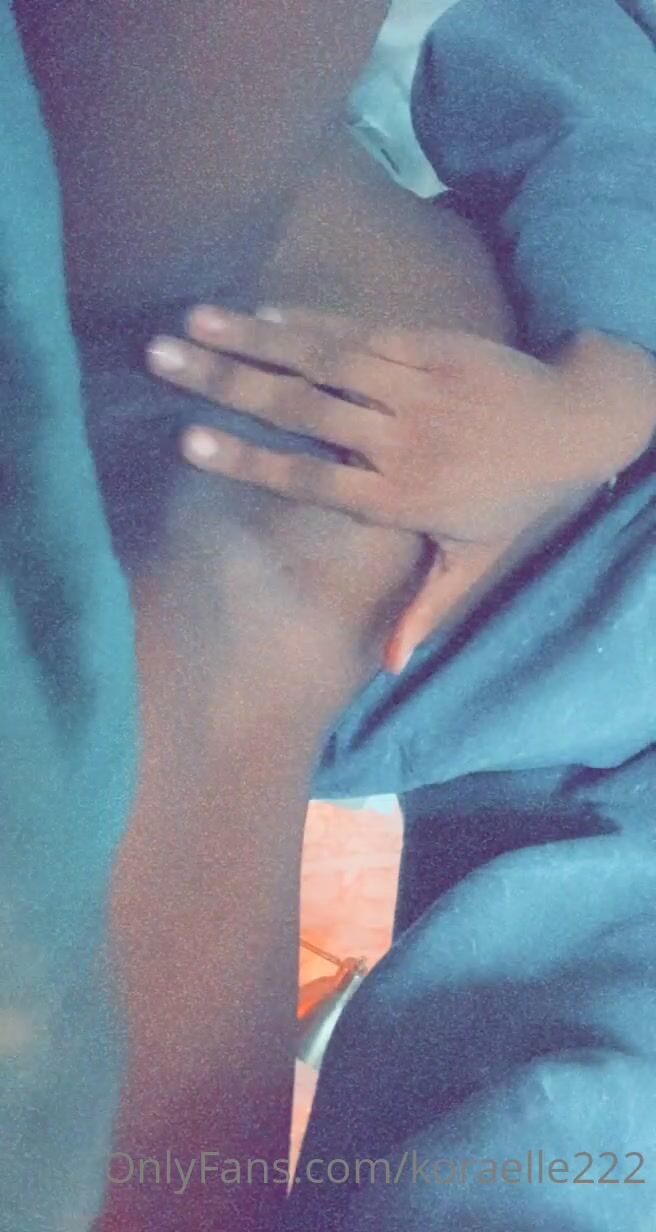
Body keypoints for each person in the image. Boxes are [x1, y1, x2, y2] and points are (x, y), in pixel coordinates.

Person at [2, 4, 655, 1232]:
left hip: (503, 621)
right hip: (526, 434)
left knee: (269, 533)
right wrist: (613, 393)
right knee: (281, 475)